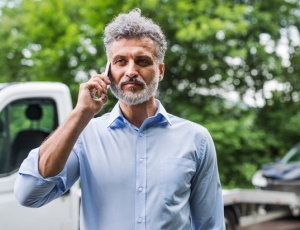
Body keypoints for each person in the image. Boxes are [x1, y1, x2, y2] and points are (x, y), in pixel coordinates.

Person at [14, 8, 225, 230]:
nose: (131, 71)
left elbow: (210, 225)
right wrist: (81, 113)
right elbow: (28, 194)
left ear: (160, 71)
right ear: (108, 71)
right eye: (120, 61)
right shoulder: (85, 135)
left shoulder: (196, 139)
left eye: (142, 61)